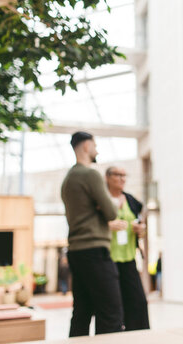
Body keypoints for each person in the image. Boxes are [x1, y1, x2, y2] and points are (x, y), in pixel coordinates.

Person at [61, 131, 124, 336]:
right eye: (95, 145)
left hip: (76, 252)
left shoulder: (68, 179)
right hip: (95, 252)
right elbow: (112, 212)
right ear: (87, 147)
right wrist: (106, 204)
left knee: (81, 312)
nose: (96, 150)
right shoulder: (90, 174)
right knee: (111, 313)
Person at [105, 166, 150, 331]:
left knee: (139, 302)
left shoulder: (131, 200)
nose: (122, 178)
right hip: (108, 260)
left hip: (129, 258)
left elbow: (140, 225)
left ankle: (138, 337)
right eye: (118, 175)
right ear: (108, 177)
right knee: (113, 305)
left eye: (125, 175)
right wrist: (109, 226)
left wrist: (141, 229)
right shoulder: (102, 199)